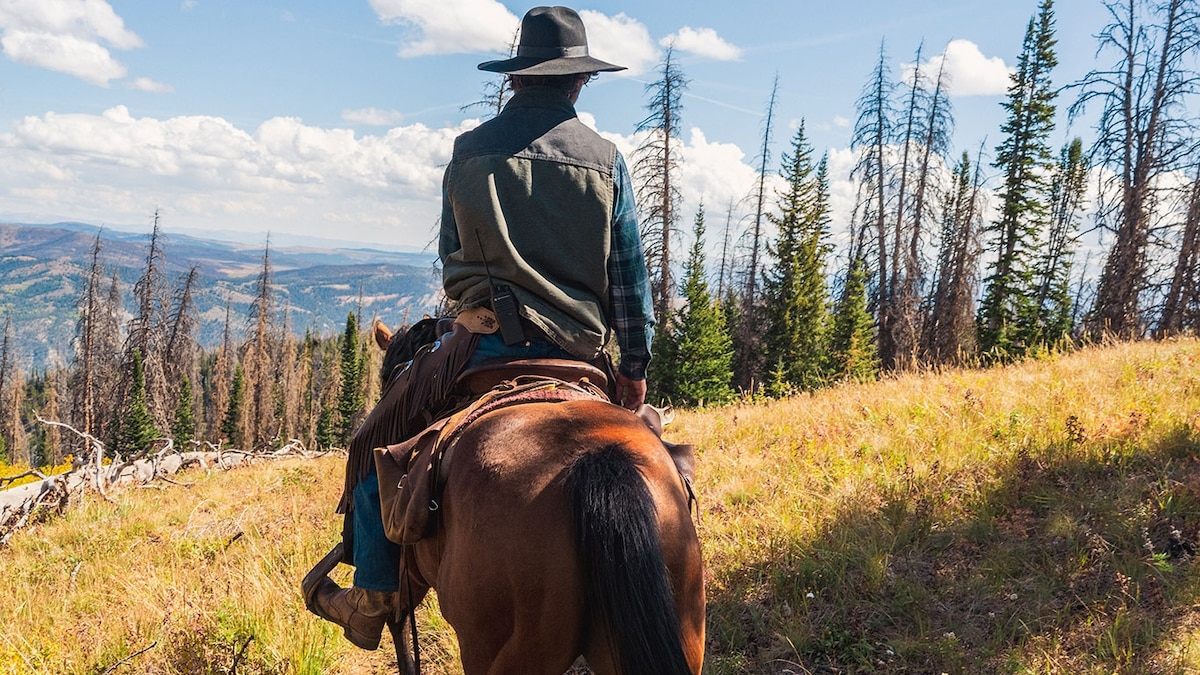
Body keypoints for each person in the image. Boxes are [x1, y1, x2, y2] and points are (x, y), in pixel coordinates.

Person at [305, 5, 656, 650]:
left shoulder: (469, 154)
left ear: (519, 76)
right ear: (579, 81)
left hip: (485, 343)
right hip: (579, 353)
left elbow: (450, 252)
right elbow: (628, 277)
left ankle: (374, 595)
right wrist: (632, 369)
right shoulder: (606, 161)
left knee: (376, 439)